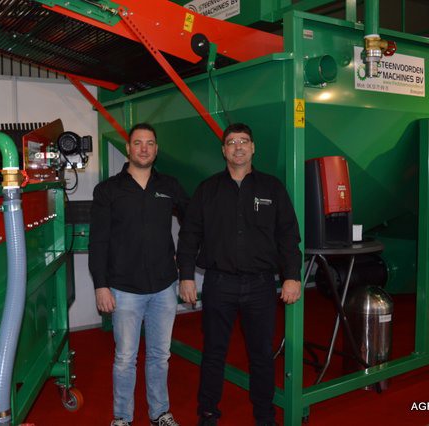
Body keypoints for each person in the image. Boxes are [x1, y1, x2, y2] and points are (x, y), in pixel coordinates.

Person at [177, 123, 302, 426]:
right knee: (213, 352)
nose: (238, 147)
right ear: (224, 150)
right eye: (232, 142)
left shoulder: (272, 188)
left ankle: (264, 415)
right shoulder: (207, 189)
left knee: (261, 355)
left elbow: (287, 235)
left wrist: (292, 275)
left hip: (261, 286)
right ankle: (208, 412)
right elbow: (189, 235)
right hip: (219, 284)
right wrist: (186, 276)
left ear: (253, 147)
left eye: (244, 141)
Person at [89, 123, 188, 426]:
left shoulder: (170, 185)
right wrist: (101, 286)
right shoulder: (108, 190)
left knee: (160, 355)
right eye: (138, 143)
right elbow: (98, 242)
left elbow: (193, 223)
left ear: (156, 149)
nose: (144, 148)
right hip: (124, 289)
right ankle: (122, 417)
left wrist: (184, 259)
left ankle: (160, 412)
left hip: (163, 287)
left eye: (150, 143)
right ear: (128, 148)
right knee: (125, 358)